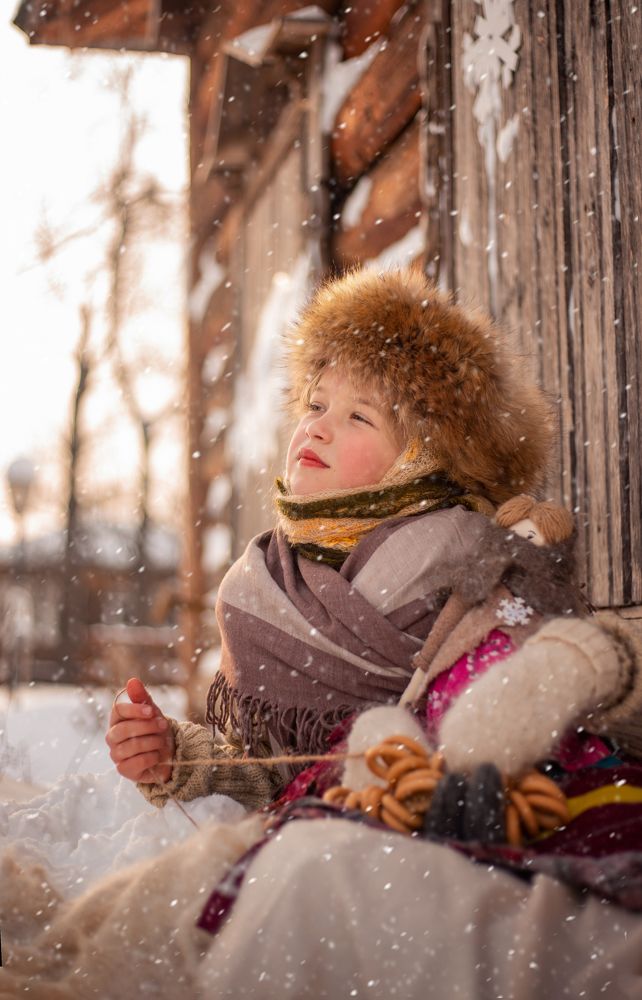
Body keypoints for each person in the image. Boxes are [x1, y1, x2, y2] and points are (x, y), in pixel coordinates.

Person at [105, 267, 641, 815]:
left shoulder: (480, 573)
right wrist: (177, 757)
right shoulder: (264, 585)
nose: (316, 427)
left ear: (421, 460)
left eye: (359, 416)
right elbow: (281, 778)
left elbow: (539, 726)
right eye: (315, 405)